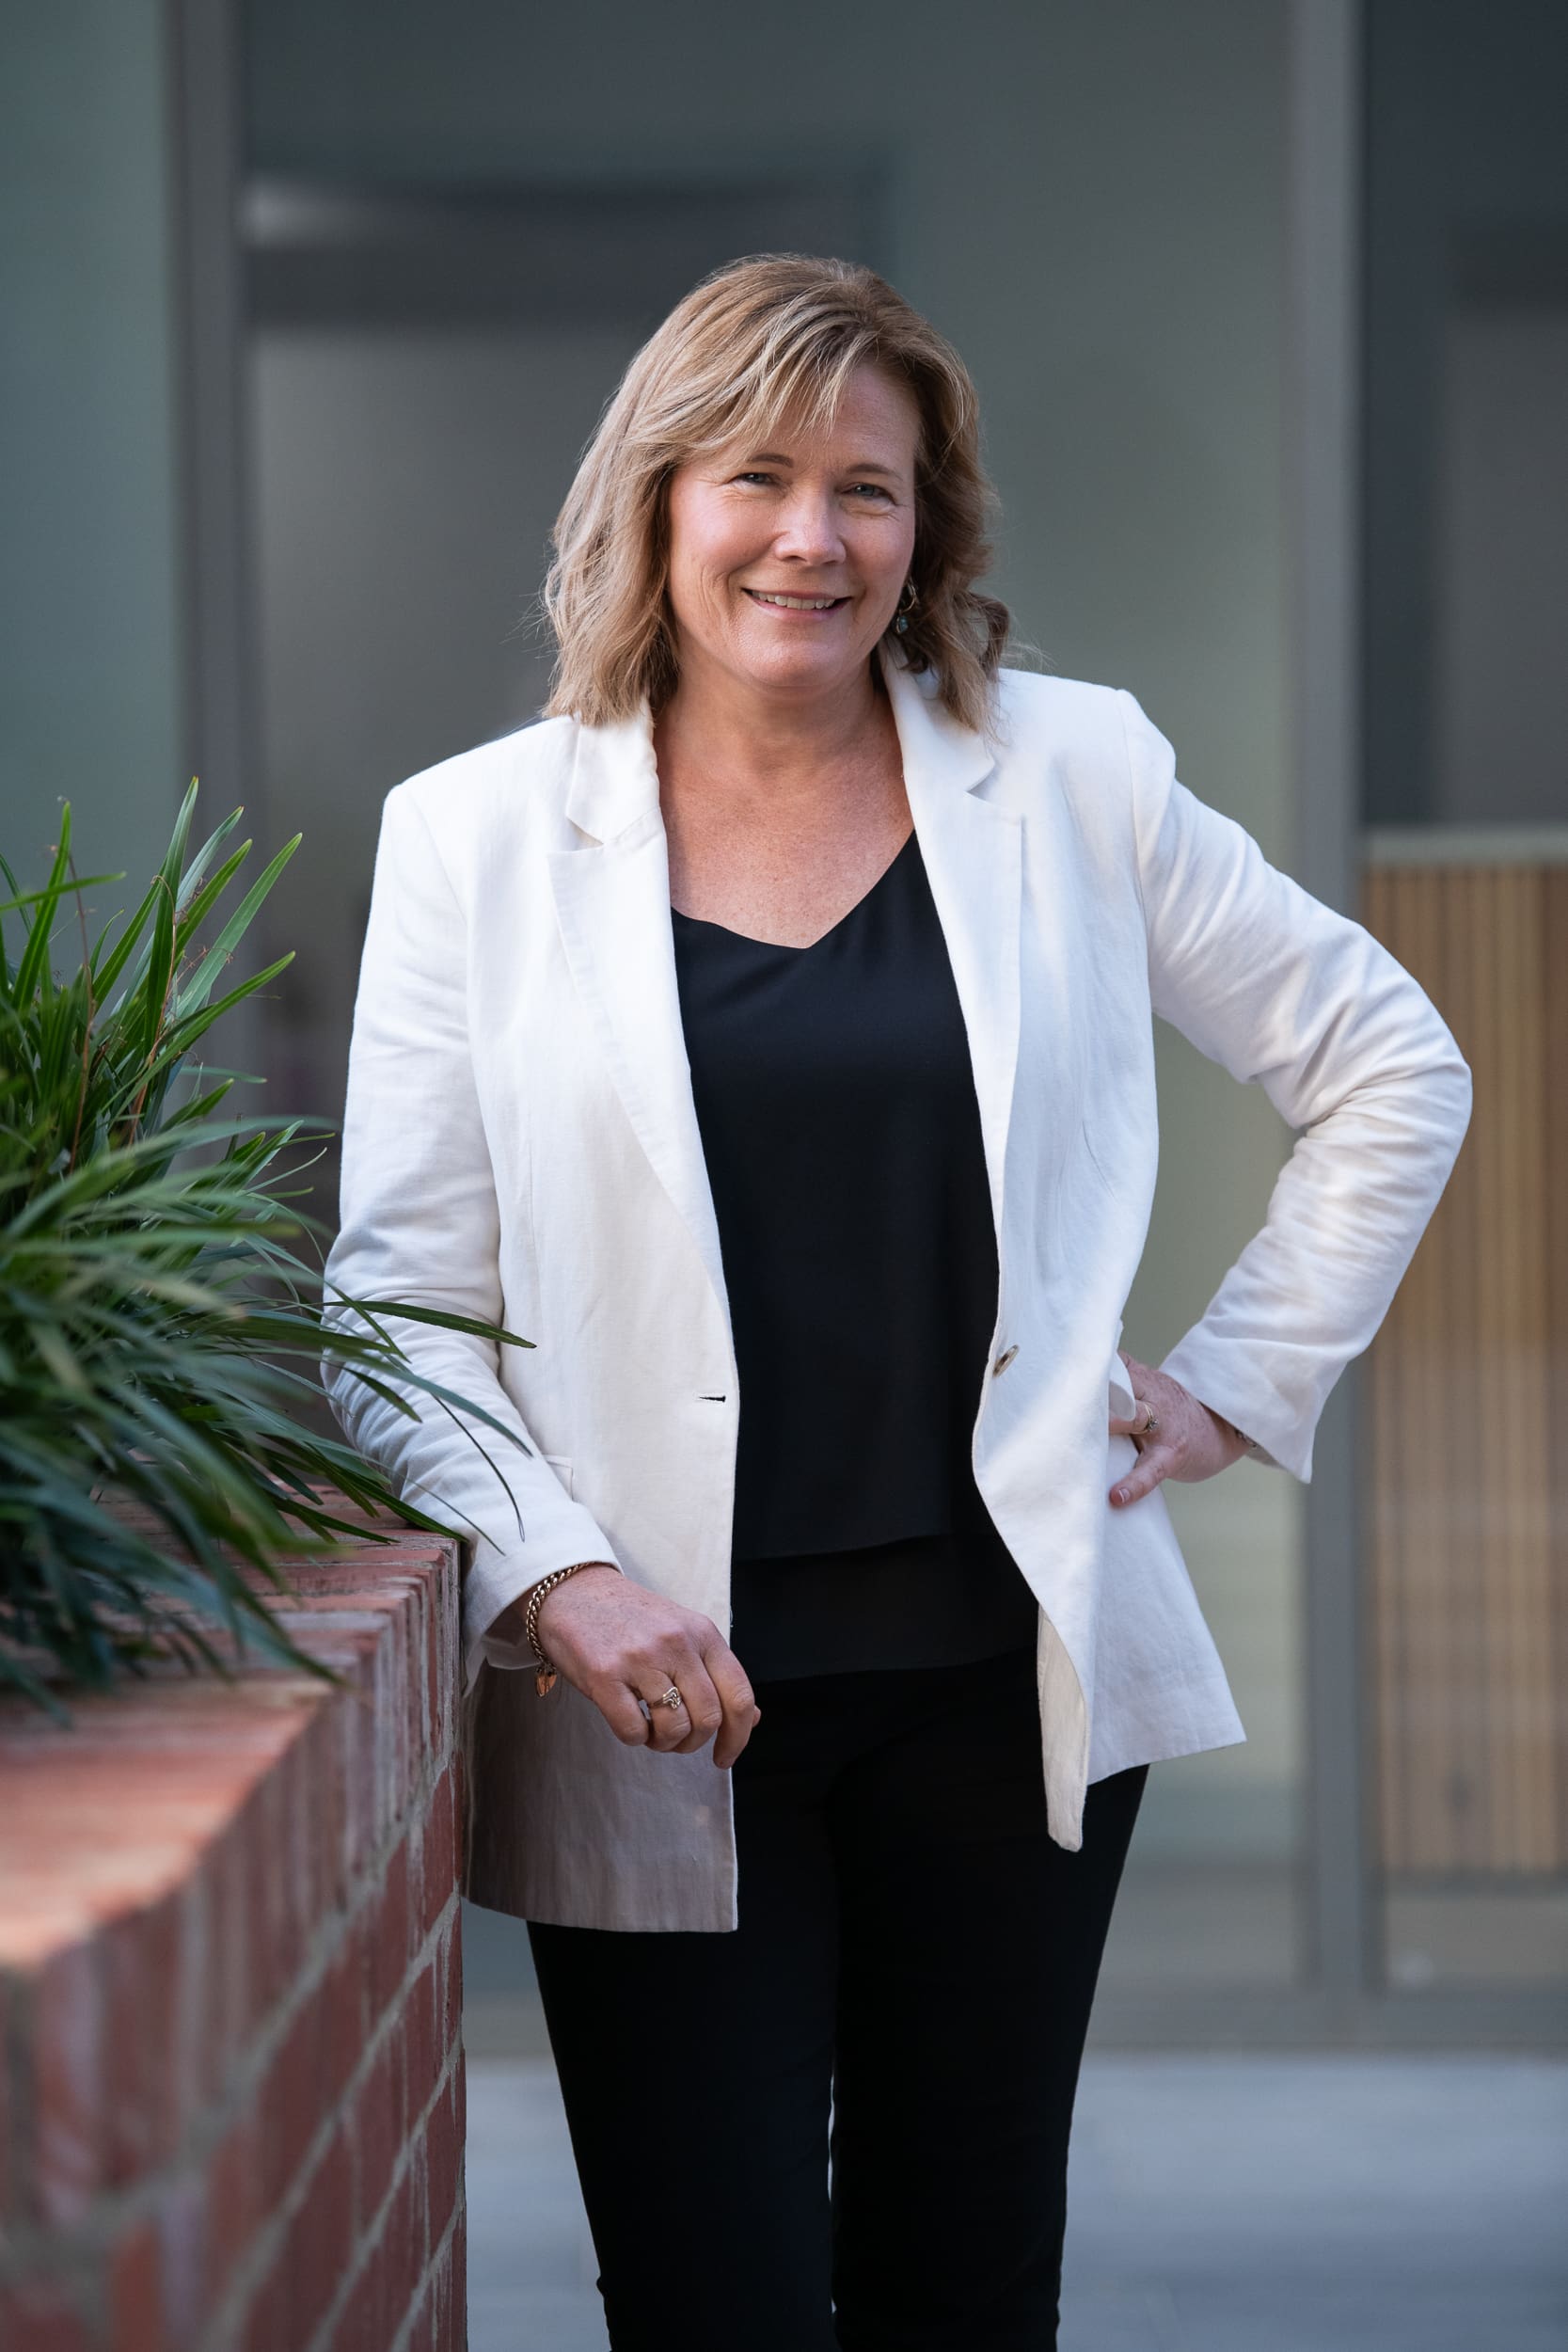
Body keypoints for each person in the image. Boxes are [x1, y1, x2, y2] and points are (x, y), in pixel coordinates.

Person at [322, 254, 1470, 2350]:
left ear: (927, 523)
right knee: (714, 2297)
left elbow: (1393, 1061)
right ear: (657, 502)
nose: (812, 535)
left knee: (962, 2292)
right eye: (757, 476)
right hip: (667, 1706)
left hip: (1004, 1690)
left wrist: (1231, 1382)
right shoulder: (477, 839)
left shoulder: (1076, 777)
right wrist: (562, 1579)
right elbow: (394, 1302)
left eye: (871, 485)